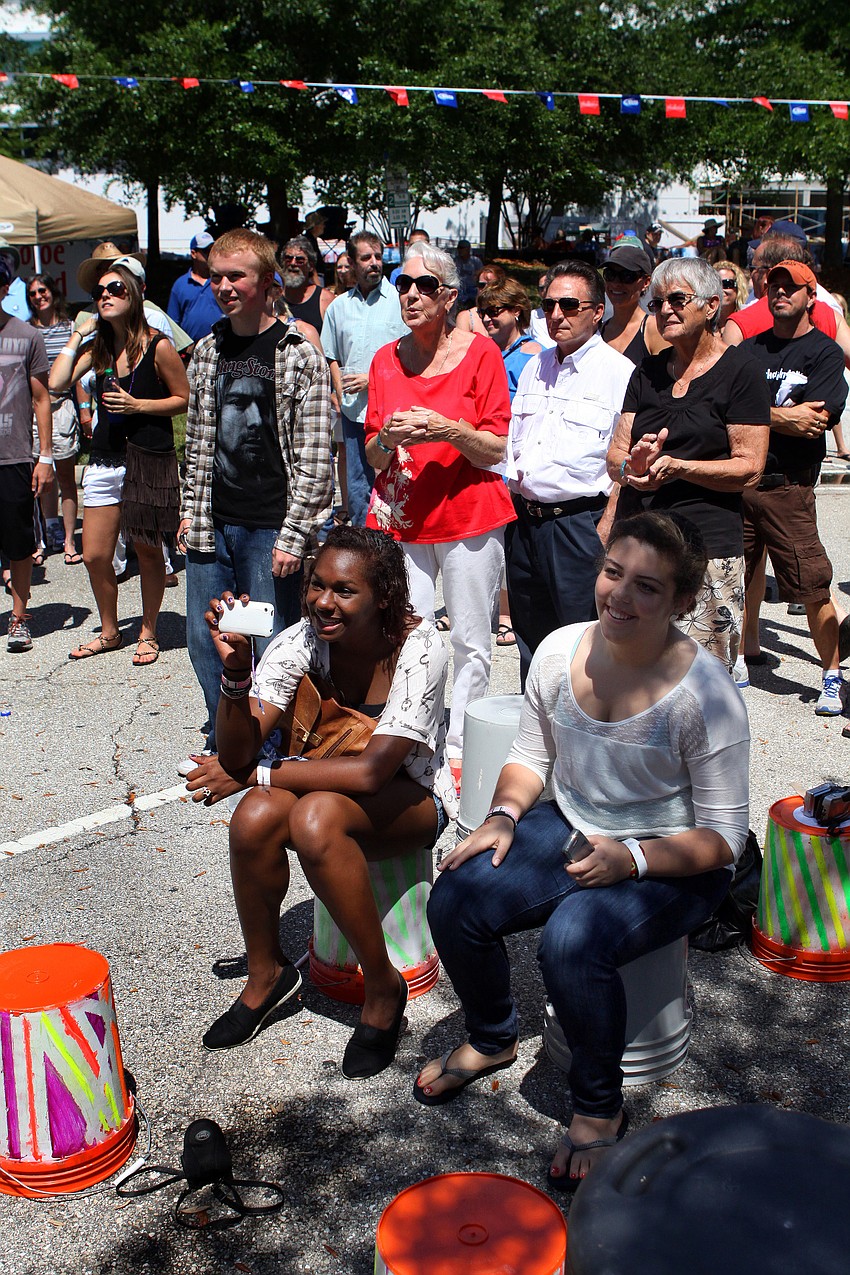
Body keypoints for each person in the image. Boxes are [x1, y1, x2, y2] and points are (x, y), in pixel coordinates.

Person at [415, 512, 749, 1193]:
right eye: (613, 572)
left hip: (676, 857)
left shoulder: (706, 695)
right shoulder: (559, 650)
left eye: (648, 588)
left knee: (571, 940)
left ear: (684, 601)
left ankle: (599, 1108)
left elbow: (725, 840)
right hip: (573, 822)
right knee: (456, 891)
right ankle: (492, 1035)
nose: (620, 597)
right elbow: (531, 754)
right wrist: (503, 815)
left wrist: (632, 859)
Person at [185, 526, 457, 1078]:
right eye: (316, 585)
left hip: (413, 798)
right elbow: (237, 751)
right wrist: (235, 672)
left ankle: (383, 989)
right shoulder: (299, 640)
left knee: (312, 817)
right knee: (255, 815)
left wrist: (259, 772)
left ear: (384, 596)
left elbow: (373, 772)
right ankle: (266, 974)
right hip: (328, 785)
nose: (322, 602)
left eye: (343, 590)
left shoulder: (421, 649)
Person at [364, 243, 515, 791]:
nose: (409, 294)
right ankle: (416, 737)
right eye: (401, 284)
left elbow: (496, 449)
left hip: (468, 513)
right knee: (409, 636)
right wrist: (386, 437)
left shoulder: (481, 355)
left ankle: (461, 745)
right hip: (401, 517)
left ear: (449, 296)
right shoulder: (385, 359)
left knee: (471, 639)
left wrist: (447, 429)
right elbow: (372, 453)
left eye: (423, 285)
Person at [178, 229, 332, 761]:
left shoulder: (298, 354)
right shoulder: (205, 352)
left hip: (271, 527)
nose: (224, 286)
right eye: (216, 276)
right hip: (212, 521)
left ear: (267, 281)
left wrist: (295, 535)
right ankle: (228, 731)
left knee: (274, 643)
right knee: (206, 639)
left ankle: (274, 739)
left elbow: (315, 458)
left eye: (236, 276)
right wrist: (189, 511)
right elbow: (198, 443)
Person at [607, 256, 771, 672]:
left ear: (712, 305)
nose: (665, 310)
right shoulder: (646, 372)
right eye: (657, 302)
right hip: (639, 546)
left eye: (677, 299)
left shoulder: (741, 372)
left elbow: (750, 467)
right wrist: (635, 469)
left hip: (706, 550)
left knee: (701, 679)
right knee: (632, 670)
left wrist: (680, 467)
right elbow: (616, 457)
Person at [50, 260, 190, 665]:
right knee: (94, 554)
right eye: (98, 293)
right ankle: (109, 631)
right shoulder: (98, 349)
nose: (105, 296)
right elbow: (57, 382)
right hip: (106, 458)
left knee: (148, 551)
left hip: (148, 458)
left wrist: (138, 405)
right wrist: (78, 333)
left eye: (114, 289)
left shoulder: (158, 344)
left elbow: (184, 398)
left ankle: (148, 630)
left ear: (134, 294)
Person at [504, 260, 635, 684]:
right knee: (531, 643)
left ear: (597, 311)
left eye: (569, 304)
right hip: (525, 525)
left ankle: (585, 737)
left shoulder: (619, 374)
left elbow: (626, 461)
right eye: (548, 305)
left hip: (579, 526)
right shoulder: (534, 367)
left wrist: (606, 529)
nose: (556, 314)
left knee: (582, 640)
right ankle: (537, 739)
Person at [740, 261, 848, 714]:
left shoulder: (823, 353)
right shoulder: (750, 350)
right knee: (732, 578)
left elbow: (817, 420)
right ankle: (738, 658)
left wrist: (757, 415)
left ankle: (832, 674)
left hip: (789, 488)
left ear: (810, 297)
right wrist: (783, 416)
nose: (780, 292)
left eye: (791, 287)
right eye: (774, 286)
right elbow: (727, 409)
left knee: (812, 585)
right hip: (741, 482)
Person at [322, 231, 407, 526]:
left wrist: (373, 380)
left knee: (395, 481)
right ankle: (363, 549)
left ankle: (395, 546)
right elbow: (330, 354)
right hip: (354, 412)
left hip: (392, 410)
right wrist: (338, 389)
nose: (374, 263)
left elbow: (411, 352)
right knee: (358, 485)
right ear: (352, 263)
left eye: (378, 257)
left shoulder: (400, 302)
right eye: (366, 258)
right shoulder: (338, 307)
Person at [0, 258, 53, 653]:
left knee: (19, 543)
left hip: (14, 456)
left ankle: (19, 617)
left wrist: (46, 457)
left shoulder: (26, 336)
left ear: (5, 290)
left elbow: (41, 398)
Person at [27, 273, 84, 564]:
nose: (39, 296)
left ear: (53, 293)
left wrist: (85, 409)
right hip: (34, 410)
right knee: (38, 478)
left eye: (43, 290)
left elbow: (78, 377)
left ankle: (69, 539)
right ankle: (44, 536)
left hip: (62, 408)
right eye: (33, 293)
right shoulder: (26, 331)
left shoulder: (70, 327)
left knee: (65, 475)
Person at [600, 243, 669, 364]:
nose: (616, 283)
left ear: (646, 282)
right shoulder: (598, 331)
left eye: (627, 276)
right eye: (610, 274)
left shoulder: (654, 330)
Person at [476, 277, 542, 399]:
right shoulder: (480, 351)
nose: (485, 318)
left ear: (516, 310)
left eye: (493, 311)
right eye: (481, 312)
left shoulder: (534, 357)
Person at [166, 231, 222, 343]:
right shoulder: (180, 285)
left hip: (222, 345)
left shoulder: (221, 281)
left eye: (213, 250)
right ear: (193, 253)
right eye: (206, 251)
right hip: (191, 350)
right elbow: (173, 323)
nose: (210, 254)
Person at [281, 235, 334, 334]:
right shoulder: (273, 297)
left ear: (310, 266)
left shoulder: (325, 300)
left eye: (300, 260)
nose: (293, 263)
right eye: (288, 258)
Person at [712, 260, 749, 333]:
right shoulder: (705, 324)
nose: (721, 289)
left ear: (738, 287)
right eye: (716, 284)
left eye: (727, 284)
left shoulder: (746, 321)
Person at [528, 271, 556, 350]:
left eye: (547, 286)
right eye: (541, 288)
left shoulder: (566, 313)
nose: (544, 290)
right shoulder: (533, 315)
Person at [453, 239, 484, 308]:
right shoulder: (455, 261)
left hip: (473, 288)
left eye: (462, 248)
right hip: (460, 288)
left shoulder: (476, 261)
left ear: (468, 249)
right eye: (459, 248)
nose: (460, 250)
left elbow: (481, 275)